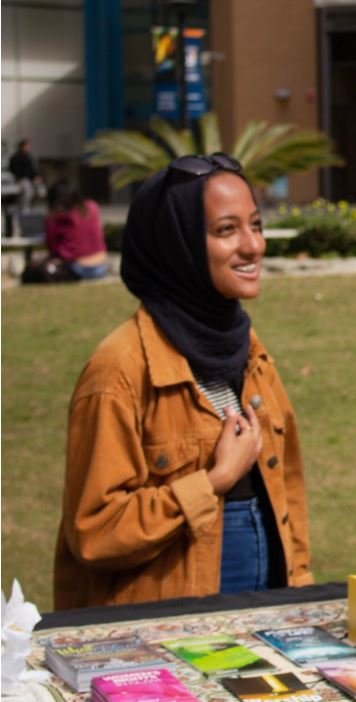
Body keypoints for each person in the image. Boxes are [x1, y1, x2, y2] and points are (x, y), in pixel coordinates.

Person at [54, 153, 314, 609]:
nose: (252, 246)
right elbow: (94, 532)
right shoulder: (119, 371)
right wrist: (214, 481)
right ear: (177, 245)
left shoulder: (248, 349)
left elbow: (287, 490)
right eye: (226, 230)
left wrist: (301, 596)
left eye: (255, 225)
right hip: (163, 625)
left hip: (267, 607)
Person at [44, 180, 109, 280]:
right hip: (101, 265)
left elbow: (54, 249)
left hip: (78, 268)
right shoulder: (93, 207)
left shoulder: (57, 219)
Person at [8, 139, 43, 212]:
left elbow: (32, 170)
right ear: (22, 146)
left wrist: (36, 177)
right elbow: (14, 170)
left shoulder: (29, 157)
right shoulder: (16, 157)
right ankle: (23, 207)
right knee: (27, 189)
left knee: (40, 188)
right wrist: (17, 179)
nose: (27, 147)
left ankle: (35, 204)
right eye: (26, 146)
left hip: (29, 179)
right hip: (21, 179)